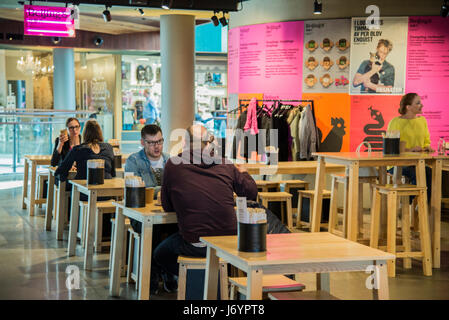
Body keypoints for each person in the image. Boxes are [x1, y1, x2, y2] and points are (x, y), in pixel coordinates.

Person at [153, 124, 258, 294]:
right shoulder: (225, 164)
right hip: (230, 244)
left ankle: (190, 280)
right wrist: (244, 173)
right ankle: (222, 281)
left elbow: (167, 206)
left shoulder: (173, 165)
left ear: (185, 142)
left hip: (196, 243)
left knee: (160, 254)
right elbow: (251, 193)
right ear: (209, 143)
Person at [124, 124, 174, 295]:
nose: (157, 146)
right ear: (142, 142)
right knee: (154, 229)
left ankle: (169, 272)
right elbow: (136, 191)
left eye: (159, 141)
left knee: (180, 228)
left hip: (167, 215)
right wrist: (164, 192)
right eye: (151, 142)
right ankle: (152, 275)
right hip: (140, 216)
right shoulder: (133, 161)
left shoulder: (171, 161)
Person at [387, 93, 433, 200]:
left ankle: (424, 204)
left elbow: (426, 140)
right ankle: (411, 203)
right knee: (417, 172)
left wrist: (427, 147)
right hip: (397, 165)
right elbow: (391, 149)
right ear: (408, 107)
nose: (421, 105)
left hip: (417, 162)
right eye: (417, 103)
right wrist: (410, 150)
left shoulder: (422, 121)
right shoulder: (395, 122)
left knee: (428, 171)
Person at [55, 119, 116, 201]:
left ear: (84, 133)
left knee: (73, 189)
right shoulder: (109, 147)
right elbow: (113, 173)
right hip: (107, 194)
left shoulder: (78, 149)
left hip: (86, 195)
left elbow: (60, 171)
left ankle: (72, 213)